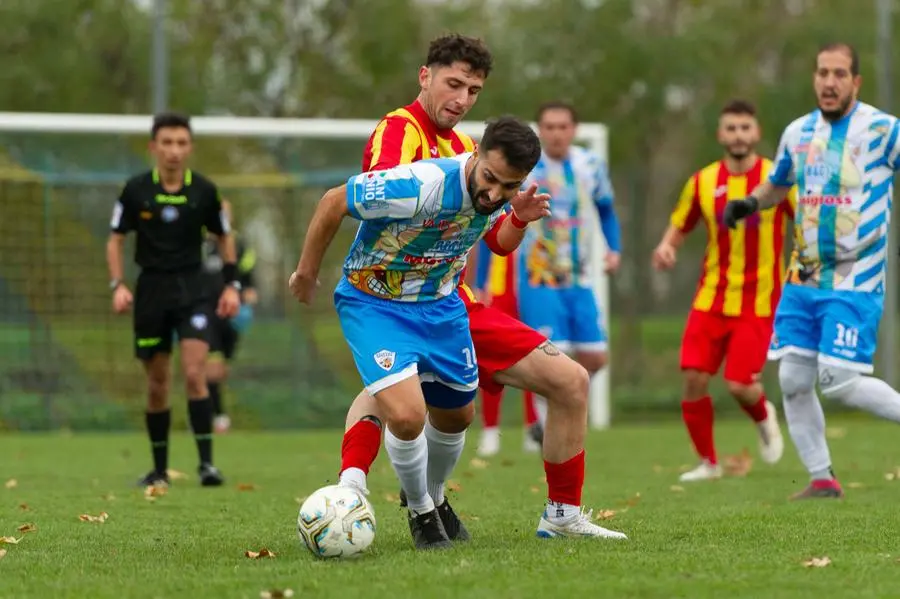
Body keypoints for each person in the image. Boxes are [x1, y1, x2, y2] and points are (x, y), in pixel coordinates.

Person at [335, 35, 627, 543]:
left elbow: (496, 241)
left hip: (455, 305)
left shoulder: (473, 152)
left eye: (473, 90)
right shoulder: (399, 132)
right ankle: (358, 488)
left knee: (571, 382)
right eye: (454, 84)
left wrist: (515, 216)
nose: (462, 98)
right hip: (393, 302)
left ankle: (561, 517)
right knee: (394, 395)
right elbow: (375, 204)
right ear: (425, 76)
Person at [290, 116, 551, 549]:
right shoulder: (419, 184)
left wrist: (518, 218)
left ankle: (434, 495)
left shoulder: (502, 194)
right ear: (476, 155)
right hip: (375, 302)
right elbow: (333, 201)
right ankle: (421, 512)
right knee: (408, 414)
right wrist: (306, 272)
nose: (494, 194)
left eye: (508, 186)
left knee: (458, 415)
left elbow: (499, 243)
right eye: (489, 178)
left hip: (441, 305)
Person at [724, 43, 900, 499]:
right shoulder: (798, 132)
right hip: (802, 279)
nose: (829, 82)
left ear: (855, 82)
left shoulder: (883, 130)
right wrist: (748, 203)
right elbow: (778, 184)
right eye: (822, 72)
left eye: (840, 73)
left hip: (854, 278)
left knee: (838, 382)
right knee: (793, 381)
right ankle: (822, 477)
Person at [652, 99, 792, 481]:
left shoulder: (776, 179)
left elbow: (806, 219)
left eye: (745, 127)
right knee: (695, 378)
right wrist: (667, 247)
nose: (738, 135)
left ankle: (764, 416)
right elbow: (681, 224)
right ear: (721, 135)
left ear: (757, 133)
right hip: (711, 295)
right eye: (731, 128)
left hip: (760, 299)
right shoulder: (703, 181)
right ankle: (708, 463)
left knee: (740, 384)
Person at [106, 112, 240, 487]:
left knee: (195, 373)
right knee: (158, 384)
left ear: (190, 148)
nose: (174, 150)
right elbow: (115, 240)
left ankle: (207, 466)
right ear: (154, 147)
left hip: (193, 290)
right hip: (151, 292)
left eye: (181, 143)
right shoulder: (134, 191)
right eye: (167, 142)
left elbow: (224, 237)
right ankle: (159, 470)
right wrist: (118, 284)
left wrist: (230, 286)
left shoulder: (204, 191)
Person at [516, 101, 622, 431]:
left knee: (595, 356)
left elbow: (606, 209)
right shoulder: (525, 168)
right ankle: (549, 430)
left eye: (563, 127)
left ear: (574, 130)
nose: (556, 133)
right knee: (553, 357)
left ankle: (551, 411)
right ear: (540, 130)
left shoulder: (590, 164)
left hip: (580, 275)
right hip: (539, 277)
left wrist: (613, 249)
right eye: (549, 126)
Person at [469, 241, 542, 456]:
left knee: (536, 360)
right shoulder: (501, 209)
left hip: (534, 289)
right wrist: (481, 284)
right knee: (493, 362)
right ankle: (490, 429)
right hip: (500, 289)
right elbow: (487, 241)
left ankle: (533, 427)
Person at [200, 199, 258, 434]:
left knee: (220, 369)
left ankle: (214, 411)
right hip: (205, 313)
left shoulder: (239, 244)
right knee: (211, 367)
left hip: (233, 313)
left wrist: (249, 292)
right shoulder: (200, 245)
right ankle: (218, 417)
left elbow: (248, 276)